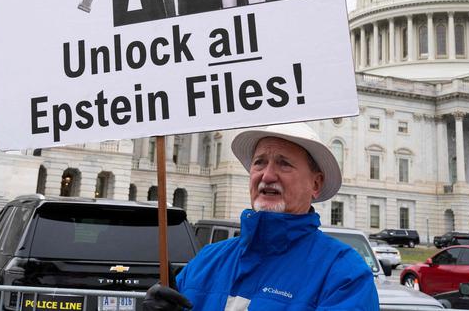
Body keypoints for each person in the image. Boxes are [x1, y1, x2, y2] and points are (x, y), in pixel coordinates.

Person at [143, 123, 378, 310]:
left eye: (284, 164)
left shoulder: (344, 273)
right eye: (259, 163)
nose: (267, 175)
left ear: (315, 184)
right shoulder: (207, 260)